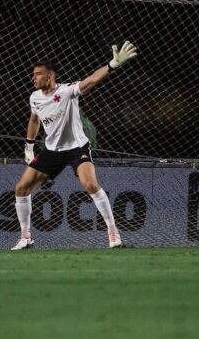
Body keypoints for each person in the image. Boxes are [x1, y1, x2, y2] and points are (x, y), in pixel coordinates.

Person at [11, 41, 138, 250]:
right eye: (33, 74)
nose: (33, 77)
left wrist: (112, 65)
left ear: (49, 76)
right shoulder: (34, 97)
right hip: (51, 151)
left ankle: (113, 233)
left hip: (76, 148)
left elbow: (90, 81)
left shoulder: (67, 91)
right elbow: (34, 120)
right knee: (21, 188)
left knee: (90, 184)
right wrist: (29, 145)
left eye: (37, 74)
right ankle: (25, 237)